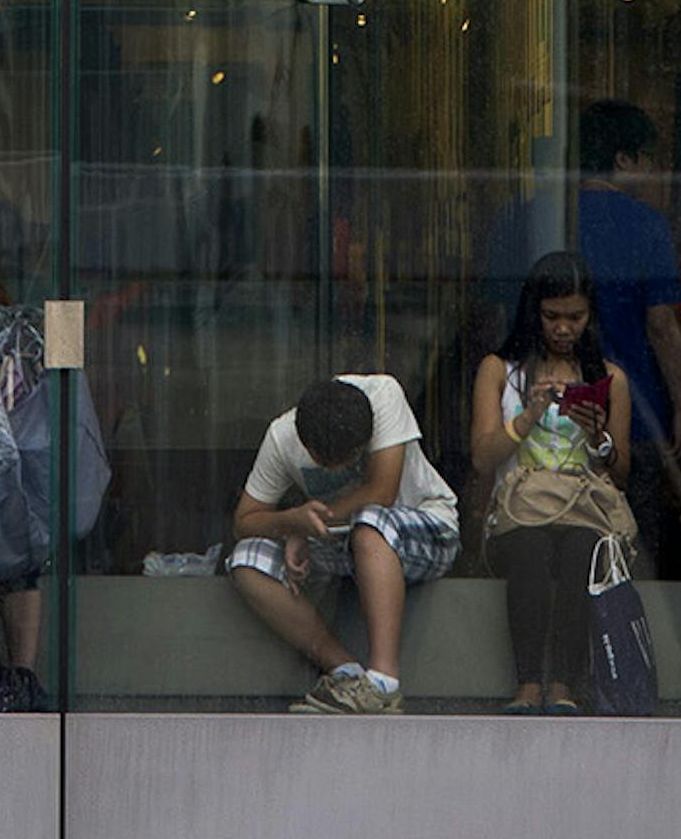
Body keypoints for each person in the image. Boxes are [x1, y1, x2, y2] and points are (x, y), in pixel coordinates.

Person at [226, 362, 459, 715]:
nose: (344, 467)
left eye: (353, 456)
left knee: (370, 520)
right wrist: (290, 522)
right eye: (329, 462)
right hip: (341, 544)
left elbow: (382, 491)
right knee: (247, 559)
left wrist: (308, 524)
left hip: (424, 530)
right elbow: (244, 521)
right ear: (307, 445)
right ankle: (347, 674)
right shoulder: (282, 436)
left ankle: (383, 683)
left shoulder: (383, 394)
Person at [470, 252, 633, 710]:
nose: (564, 328)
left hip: (584, 509)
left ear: (590, 316)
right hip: (518, 512)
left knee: (583, 548)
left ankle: (563, 684)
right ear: (533, 312)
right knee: (531, 547)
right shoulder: (500, 371)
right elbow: (482, 458)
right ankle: (528, 683)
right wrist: (528, 417)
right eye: (552, 316)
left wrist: (596, 435)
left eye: (576, 317)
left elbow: (620, 473)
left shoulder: (610, 378)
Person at [573, 103, 681, 570]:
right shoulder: (646, 225)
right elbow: (661, 325)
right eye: (647, 160)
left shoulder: (540, 215)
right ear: (623, 160)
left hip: (554, 405)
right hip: (636, 406)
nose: (650, 172)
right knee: (633, 531)